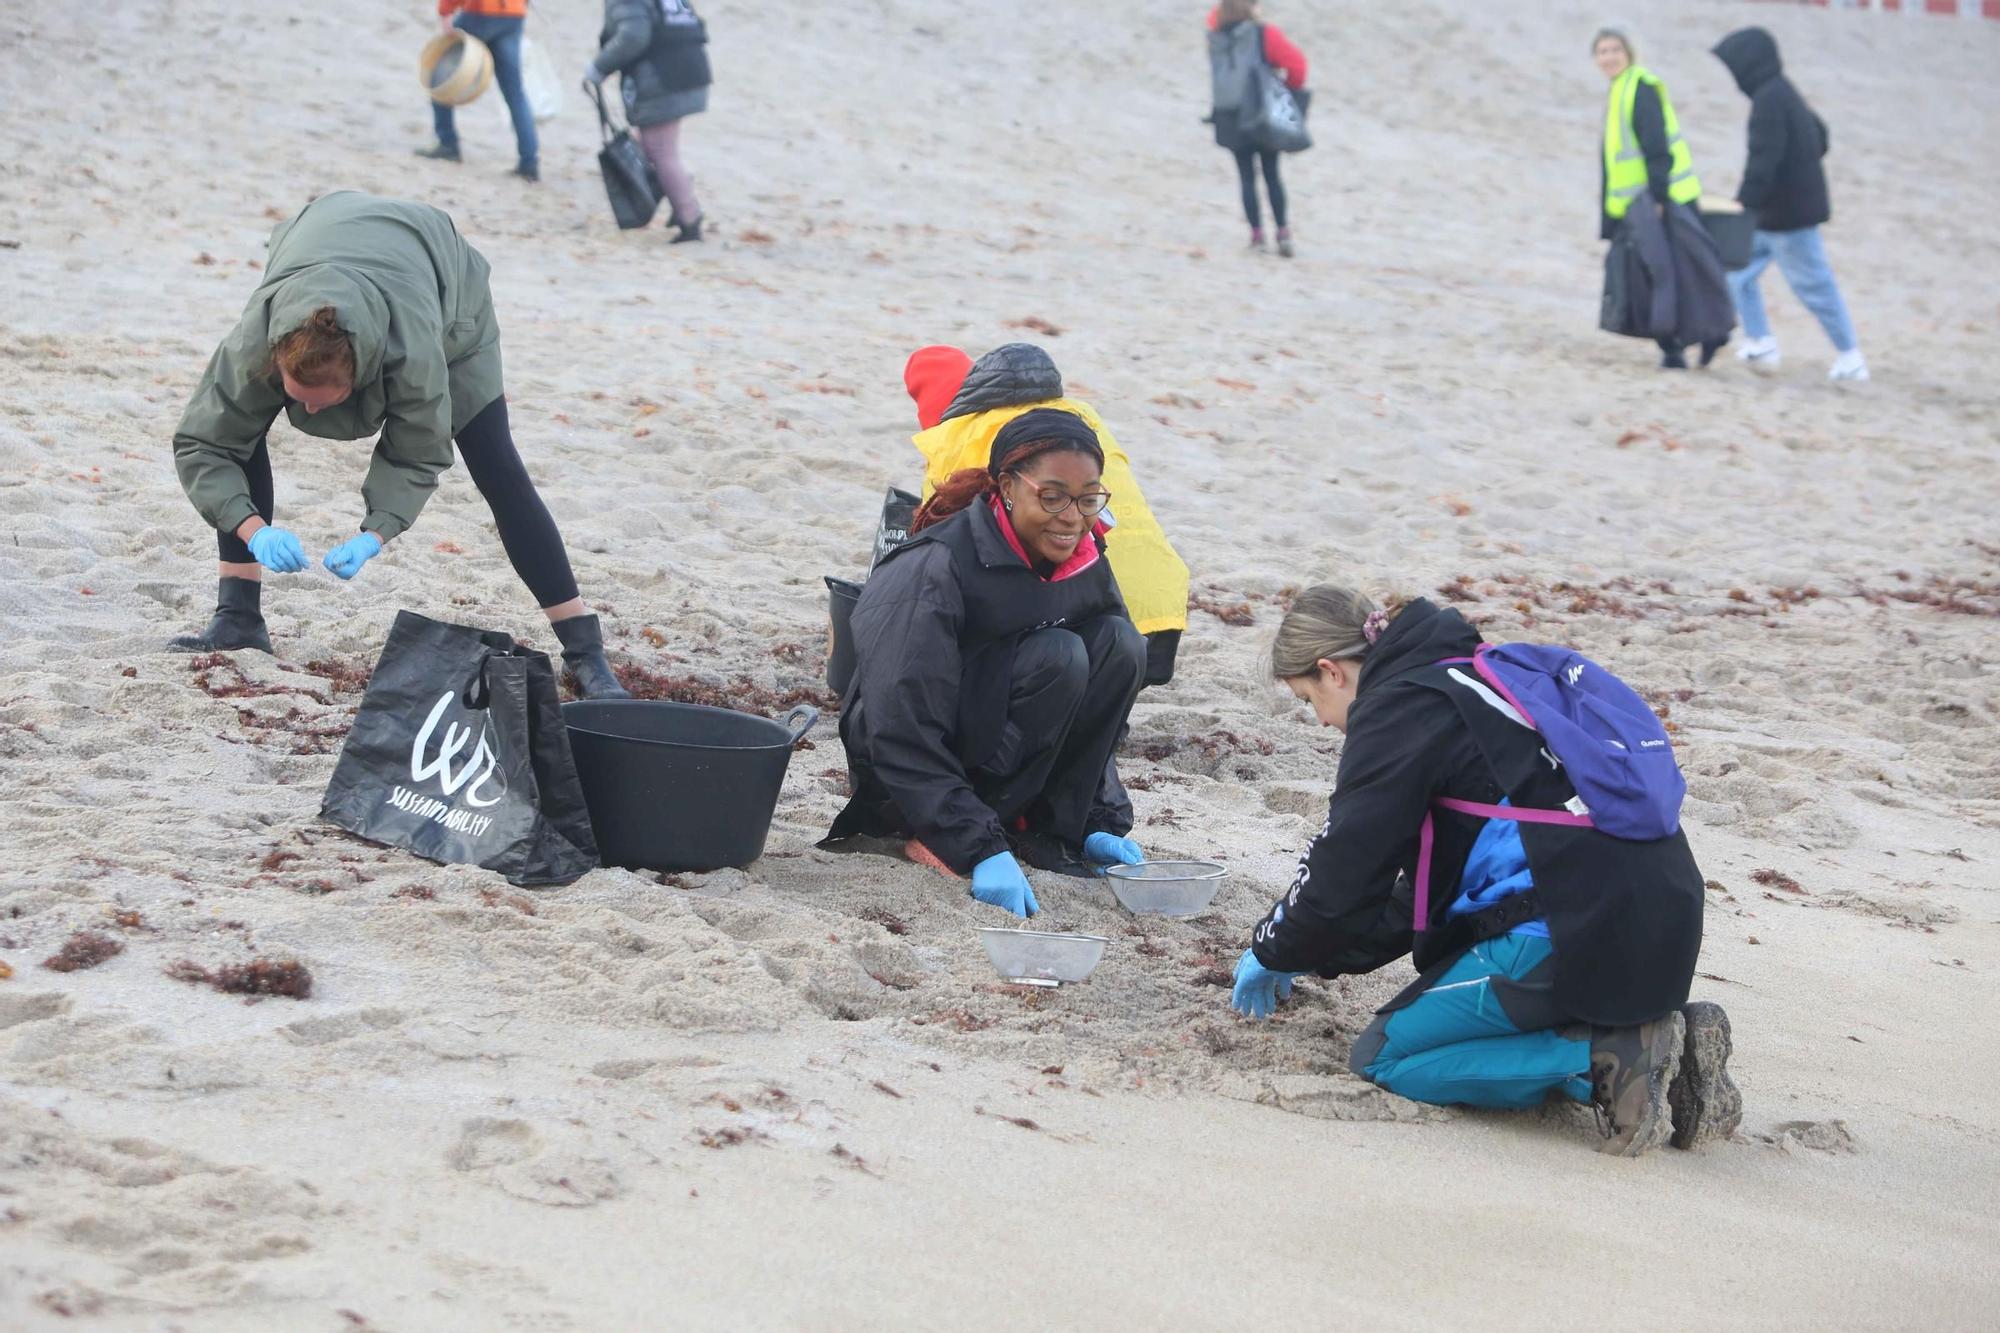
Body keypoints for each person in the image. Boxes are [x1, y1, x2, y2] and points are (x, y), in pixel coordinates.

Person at [1229, 584, 1742, 1156]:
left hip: (1569, 930)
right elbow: (1421, 893)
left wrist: (1273, 947)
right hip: (1660, 918)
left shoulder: (1397, 710)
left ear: (1331, 672)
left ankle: (1603, 1054)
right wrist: (1311, 955)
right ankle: (1669, 1051)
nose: (1322, 723)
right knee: (1457, 1012)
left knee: (1384, 1056)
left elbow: (1343, 873)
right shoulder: (1470, 675)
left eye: (1307, 700)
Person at [168, 191, 628, 700]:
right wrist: (254, 531)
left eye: (323, 403)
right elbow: (207, 441)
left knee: (496, 465)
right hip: (319, 239)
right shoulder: (259, 339)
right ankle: (237, 617)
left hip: (445, 287)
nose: (310, 413)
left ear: (361, 379)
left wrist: (375, 533)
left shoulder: (415, 356)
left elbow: (417, 452)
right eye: (298, 398)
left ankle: (585, 650)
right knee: (240, 429)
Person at [820, 410, 1149, 912]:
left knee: (1119, 643)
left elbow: (1100, 706)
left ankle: (1049, 831)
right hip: (907, 776)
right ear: (1008, 487)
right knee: (1058, 655)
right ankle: (944, 835)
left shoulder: (1083, 555)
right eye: (1052, 495)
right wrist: (973, 843)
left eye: (1087, 499)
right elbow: (898, 723)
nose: (1071, 518)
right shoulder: (934, 567)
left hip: (1005, 753)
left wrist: (1098, 820)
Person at [901, 343, 1190, 688]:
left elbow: (933, 537)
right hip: (1161, 607)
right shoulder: (1077, 417)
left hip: (1086, 620)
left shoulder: (963, 435)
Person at [1713, 27, 1867, 382]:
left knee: (1814, 285)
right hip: (1772, 215)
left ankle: (1850, 357)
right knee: (1738, 274)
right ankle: (1760, 341)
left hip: (1788, 219)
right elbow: (1820, 136)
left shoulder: (1769, 101)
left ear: (1748, 66)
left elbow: (1762, 161)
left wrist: (1745, 203)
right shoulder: (1783, 91)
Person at [1593, 27, 1726, 370]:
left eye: (1614, 49)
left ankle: (1694, 341)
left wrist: (1658, 197)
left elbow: (1657, 147)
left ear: (1629, 52)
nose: (1609, 57)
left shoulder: (1641, 87)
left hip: (1658, 201)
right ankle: (1679, 345)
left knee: (1666, 274)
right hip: (1634, 205)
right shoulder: (1620, 89)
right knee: (1650, 274)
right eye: (1602, 51)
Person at [585, 0, 712, 244]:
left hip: (664, 78)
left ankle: (689, 219)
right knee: (653, 145)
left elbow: (633, 36)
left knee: (661, 150)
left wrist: (599, 67)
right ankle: (682, 191)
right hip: (690, 69)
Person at [1206, 1, 1308, 257]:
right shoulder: (1263, 34)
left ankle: (1257, 236)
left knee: (1246, 177)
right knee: (1272, 173)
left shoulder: (1217, 35)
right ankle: (1283, 232)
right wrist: (1284, 89)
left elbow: (1213, 17)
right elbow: (1298, 66)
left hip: (1229, 114)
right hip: (1261, 111)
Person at [417, 0, 540, 183]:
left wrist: (446, 10)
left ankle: (448, 142)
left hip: (481, 9)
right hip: (514, 12)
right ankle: (529, 162)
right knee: (514, 92)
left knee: (441, 72)